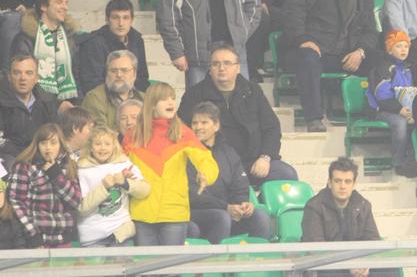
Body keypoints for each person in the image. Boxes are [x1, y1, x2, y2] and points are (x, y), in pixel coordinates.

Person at [282, 0, 382, 133]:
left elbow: (370, 33)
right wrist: (302, 39)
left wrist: (360, 52)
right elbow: (293, 10)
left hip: (345, 57)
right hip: (314, 52)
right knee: (309, 58)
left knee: (380, 60)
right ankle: (314, 119)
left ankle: (376, 113)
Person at [179, 44, 296, 185]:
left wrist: (265, 157)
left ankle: (260, 198)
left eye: (227, 63)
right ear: (210, 69)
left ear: (238, 68)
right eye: (216, 64)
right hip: (215, 164)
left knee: (287, 174)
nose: (221, 68)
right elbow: (182, 132)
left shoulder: (253, 91)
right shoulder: (194, 95)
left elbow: (272, 127)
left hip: (253, 162)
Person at [124, 82, 219, 246]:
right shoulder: (133, 135)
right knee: (145, 262)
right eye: (164, 99)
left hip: (174, 213)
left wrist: (206, 175)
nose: (171, 102)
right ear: (152, 104)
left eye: (173, 98)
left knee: (172, 262)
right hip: (141, 212)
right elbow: (118, 164)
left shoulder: (184, 133)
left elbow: (205, 159)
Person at [186, 102, 270, 243]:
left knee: (260, 216)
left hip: (226, 210)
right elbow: (193, 195)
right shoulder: (186, 153)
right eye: (195, 123)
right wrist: (225, 207)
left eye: (204, 122)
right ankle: (217, 257)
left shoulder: (228, 152)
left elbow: (240, 185)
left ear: (216, 125)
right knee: (222, 217)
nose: (198, 127)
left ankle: (259, 256)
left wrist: (243, 204)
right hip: (195, 212)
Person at [300, 157, 395, 276]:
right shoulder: (314, 206)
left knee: (390, 269)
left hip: (356, 261)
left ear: (354, 184)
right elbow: (316, 249)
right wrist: (348, 264)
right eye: (338, 181)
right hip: (327, 265)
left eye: (348, 181)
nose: (343, 186)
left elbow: (373, 241)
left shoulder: (363, 205)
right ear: (329, 183)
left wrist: (364, 263)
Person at [7, 123, 82, 247]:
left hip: (65, 238)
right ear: (37, 145)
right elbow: (16, 201)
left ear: (61, 145)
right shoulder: (25, 167)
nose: (48, 148)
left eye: (53, 143)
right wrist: (33, 234)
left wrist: (56, 175)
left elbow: (75, 201)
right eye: (43, 143)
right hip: (37, 239)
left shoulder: (69, 165)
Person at [76, 126, 149, 247]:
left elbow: (145, 190)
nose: (103, 148)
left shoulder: (123, 164)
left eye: (107, 144)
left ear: (114, 146)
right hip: (92, 237)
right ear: (90, 147)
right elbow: (81, 209)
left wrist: (125, 183)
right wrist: (104, 187)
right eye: (98, 144)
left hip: (120, 234)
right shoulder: (81, 170)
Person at [11, 0, 82, 103]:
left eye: (66, 3)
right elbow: (24, 81)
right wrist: (57, 106)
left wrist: (77, 105)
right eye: (59, 2)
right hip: (37, 105)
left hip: (67, 103)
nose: (65, 7)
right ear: (43, 6)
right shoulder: (25, 39)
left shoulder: (69, 38)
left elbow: (76, 75)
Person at [366, 31, 417, 178]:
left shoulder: (408, 69)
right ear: (389, 49)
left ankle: (415, 160)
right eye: (398, 46)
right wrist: (399, 109)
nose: (403, 49)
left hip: (403, 109)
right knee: (400, 122)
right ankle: (399, 163)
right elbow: (382, 95)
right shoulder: (383, 67)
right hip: (380, 110)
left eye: (406, 46)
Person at [75, 0, 149, 96]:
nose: (121, 23)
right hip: (102, 98)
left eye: (125, 18)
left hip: (131, 98)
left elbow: (142, 78)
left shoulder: (137, 40)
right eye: (115, 18)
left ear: (132, 20)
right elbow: (93, 84)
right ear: (107, 19)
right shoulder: (94, 43)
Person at [0, 55, 65, 166]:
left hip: (43, 155)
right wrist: (28, 157)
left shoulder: (47, 101)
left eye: (29, 73)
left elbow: (56, 134)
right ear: (9, 77)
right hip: (11, 158)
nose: (23, 78)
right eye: (17, 73)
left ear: (36, 78)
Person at [81, 50, 145, 133]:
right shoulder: (94, 98)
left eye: (124, 70)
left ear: (134, 74)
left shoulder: (144, 98)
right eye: (113, 71)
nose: (119, 75)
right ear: (107, 73)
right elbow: (100, 133)